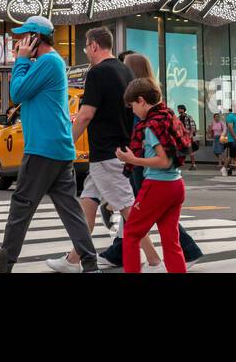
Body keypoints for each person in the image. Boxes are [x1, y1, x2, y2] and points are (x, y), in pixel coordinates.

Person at [0, 16, 99, 273]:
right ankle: (91, 265)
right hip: (57, 148)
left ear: (35, 38)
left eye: (24, 36)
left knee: (21, 207)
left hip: (43, 148)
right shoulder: (51, 62)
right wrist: (25, 61)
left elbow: (17, 92)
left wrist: (21, 60)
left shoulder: (48, 61)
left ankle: (3, 266)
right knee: (70, 210)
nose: (19, 41)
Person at [50, 26, 162, 272]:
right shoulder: (125, 70)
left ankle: (154, 260)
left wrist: (66, 144)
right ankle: (74, 258)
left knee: (128, 208)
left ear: (93, 46)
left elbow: (85, 115)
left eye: (86, 48)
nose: (87, 52)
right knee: (88, 203)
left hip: (105, 153)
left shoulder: (97, 72)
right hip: (119, 148)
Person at [115, 77, 189, 273]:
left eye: (132, 106)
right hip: (176, 184)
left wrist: (132, 160)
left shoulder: (151, 126)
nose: (133, 111)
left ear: (141, 101)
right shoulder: (168, 116)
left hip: (158, 185)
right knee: (171, 240)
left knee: (131, 234)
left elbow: (163, 161)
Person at [224, 103, 236, 178]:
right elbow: (230, 127)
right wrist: (235, 136)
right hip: (232, 139)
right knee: (232, 156)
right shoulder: (230, 116)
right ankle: (224, 168)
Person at [176, 105, 198, 170]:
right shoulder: (178, 118)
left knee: (190, 150)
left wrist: (191, 135)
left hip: (187, 136)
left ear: (183, 109)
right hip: (181, 136)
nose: (178, 110)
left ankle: (193, 165)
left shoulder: (188, 117)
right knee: (180, 150)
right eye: (178, 109)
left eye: (179, 109)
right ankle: (179, 164)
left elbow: (193, 126)